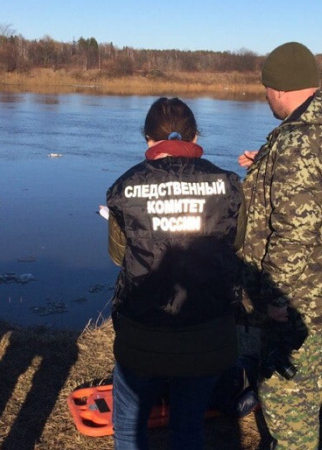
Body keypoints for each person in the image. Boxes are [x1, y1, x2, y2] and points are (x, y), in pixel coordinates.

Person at [238, 42, 322, 449]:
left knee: (286, 393)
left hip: (302, 298)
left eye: (266, 90)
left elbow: (294, 232)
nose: (265, 99)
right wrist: (267, 162)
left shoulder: (301, 142)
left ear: (279, 88)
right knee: (317, 382)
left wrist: (277, 298)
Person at [105, 97, 245, 450]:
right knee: (188, 429)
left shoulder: (125, 188)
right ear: (196, 135)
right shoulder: (228, 185)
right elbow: (237, 244)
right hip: (209, 334)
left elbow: (117, 256)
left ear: (148, 140)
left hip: (143, 335)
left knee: (128, 430)